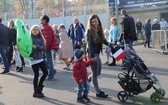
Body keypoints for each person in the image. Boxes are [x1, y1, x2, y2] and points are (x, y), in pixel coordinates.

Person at [86, 14, 113, 98]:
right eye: (93, 21)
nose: (94, 23)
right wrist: (91, 56)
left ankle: (85, 82)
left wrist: (109, 43)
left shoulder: (99, 29)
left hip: (97, 53)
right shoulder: (89, 31)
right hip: (93, 54)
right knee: (95, 73)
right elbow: (89, 45)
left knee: (98, 72)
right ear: (90, 22)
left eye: (96, 21)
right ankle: (98, 91)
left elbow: (103, 40)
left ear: (98, 21)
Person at [29, 25, 48, 98]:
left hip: (40, 58)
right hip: (33, 59)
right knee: (36, 75)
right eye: (33, 29)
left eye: (36, 29)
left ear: (39, 31)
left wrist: (36, 47)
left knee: (45, 72)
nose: (35, 30)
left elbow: (44, 48)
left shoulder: (41, 38)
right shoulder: (29, 38)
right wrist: (18, 48)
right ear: (31, 30)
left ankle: (39, 86)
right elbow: (25, 45)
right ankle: (35, 92)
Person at [40, 15, 59, 80]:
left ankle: (51, 75)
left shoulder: (47, 27)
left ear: (44, 20)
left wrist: (46, 48)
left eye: (41, 19)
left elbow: (48, 39)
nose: (40, 20)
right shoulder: (45, 27)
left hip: (48, 47)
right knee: (44, 60)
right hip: (48, 46)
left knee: (48, 61)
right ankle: (52, 71)